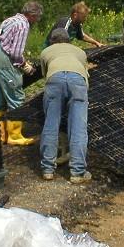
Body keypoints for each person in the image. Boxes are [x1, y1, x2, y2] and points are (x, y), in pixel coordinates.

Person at [39, 28, 91, 183]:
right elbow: (85, 73)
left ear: (52, 40)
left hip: (54, 79)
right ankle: (77, 172)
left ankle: (48, 170)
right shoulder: (80, 52)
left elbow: (46, 75)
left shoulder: (46, 52)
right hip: (78, 82)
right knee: (78, 128)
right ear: (69, 40)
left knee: (50, 124)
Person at [0, 0, 43, 145]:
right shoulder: (23, 25)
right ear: (31, 15)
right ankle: (15, 136)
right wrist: (25, 66)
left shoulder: (10, 20)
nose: (37, 21)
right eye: (37, 17)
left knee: (0, 100)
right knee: (16, 98)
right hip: (5, 61)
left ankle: (0, 134)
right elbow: (15, 52)